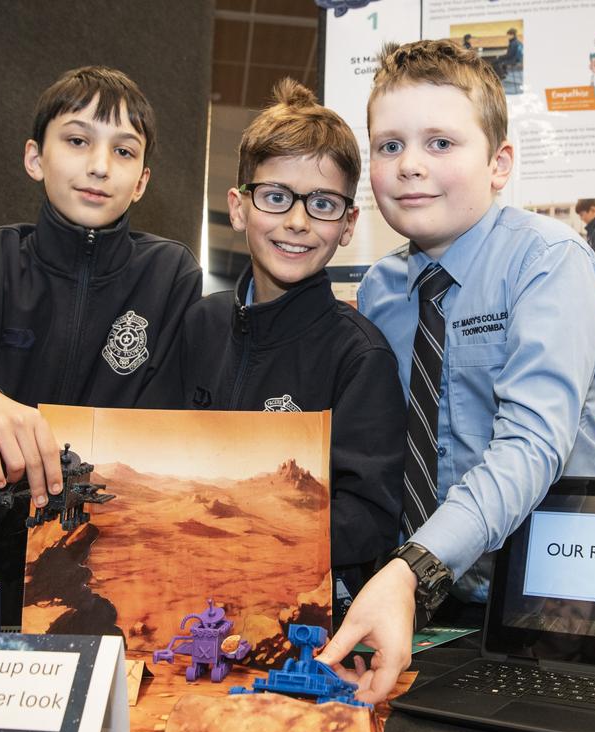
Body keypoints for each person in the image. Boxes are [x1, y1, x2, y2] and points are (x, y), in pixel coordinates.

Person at [316, 39, 595, 703]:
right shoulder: (382, 291)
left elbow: (533, 441)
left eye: (441, 143)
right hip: (421, 607)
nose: (411, 165)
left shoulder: (549, 260)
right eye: (390, 146)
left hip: (550, 602)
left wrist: (411, 568)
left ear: (499, 162)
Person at [0, 66, 201, 506]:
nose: (99, 167)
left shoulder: (171, 273)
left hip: (103, 529)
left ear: (141, 181)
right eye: (77, 141)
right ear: (35, 158)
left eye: (124, 151)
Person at [144, 78, 406, 617]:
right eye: (276, 197)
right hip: (179, 590)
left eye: (323, 204)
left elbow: (370, 515)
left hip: (290, 610)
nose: (297, 222)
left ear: (349, 224)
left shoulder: (359, 357)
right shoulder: (198, 323)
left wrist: (249, 535)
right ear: (239, 208)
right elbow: (153, 452)